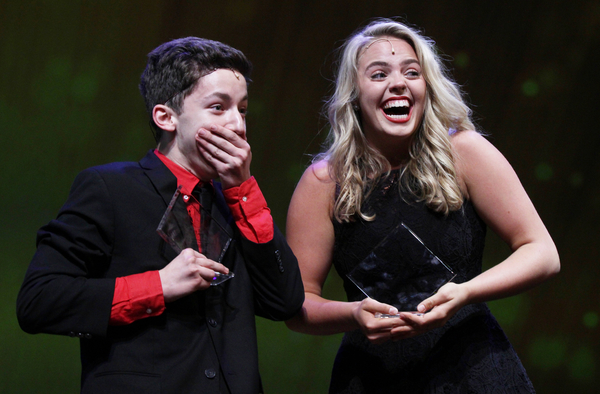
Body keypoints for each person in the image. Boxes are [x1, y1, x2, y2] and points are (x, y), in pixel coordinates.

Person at [285, 18, 560, 393]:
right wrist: (353, 314)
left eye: (411, 72)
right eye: (379, 74)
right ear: (354, 94)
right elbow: (299, 305)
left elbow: (542, 253)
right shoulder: (323, 183)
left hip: (472, 370)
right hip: (372, 377)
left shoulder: (465, 153)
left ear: (426, 87)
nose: (398, 82)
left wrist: (466, 292)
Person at [17, 37, 304, 394]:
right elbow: (38, 301)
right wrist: (158, 286)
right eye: (218, 107)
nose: (238, 126)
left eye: (242, 110)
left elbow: (285, 301)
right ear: (166, 117)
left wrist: (243, 190)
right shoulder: (110, 188)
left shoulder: (237, 204)